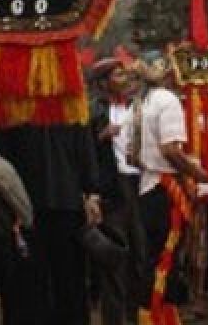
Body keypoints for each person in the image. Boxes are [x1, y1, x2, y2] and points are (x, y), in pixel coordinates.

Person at [0, 119, 102, 325]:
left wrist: (92, 192)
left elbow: (3, 161)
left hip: (48, 206)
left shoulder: (22, 109)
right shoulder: (20, 108)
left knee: (58, 284)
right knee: (47, 285)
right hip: (39, 207)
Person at [133, 54, 208, 325]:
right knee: (164, 259)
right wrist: (197, 173)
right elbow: (170, 150)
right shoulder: (167, 100)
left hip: (146, 186)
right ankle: (154, 318)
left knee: (155, 258)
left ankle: (162, 316)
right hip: (163, 188)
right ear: (168, 73)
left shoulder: (141, 102)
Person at [88, 57, 146, 325]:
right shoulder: (94, 112)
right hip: (112, 189)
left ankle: (136, 316)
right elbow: (85, 151)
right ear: (103, 83)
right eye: (117, 75)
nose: (124, 78)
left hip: (140, 185)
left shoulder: (139, 107)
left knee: (139, 255)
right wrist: (100, 136)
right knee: (114, 258)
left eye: (124, 73)